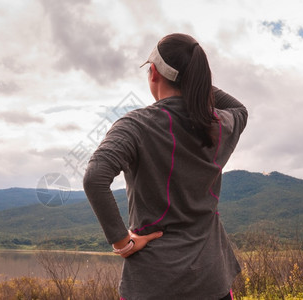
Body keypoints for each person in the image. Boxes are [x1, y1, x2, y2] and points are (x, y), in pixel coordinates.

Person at [83, 33, 248, 299]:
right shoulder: (219, 125)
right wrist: (195, 84)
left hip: (153, 282)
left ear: (154, 73)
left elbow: (95, 178)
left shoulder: (136, 125)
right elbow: (240, 109)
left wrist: (122, 242)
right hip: (211, 279)